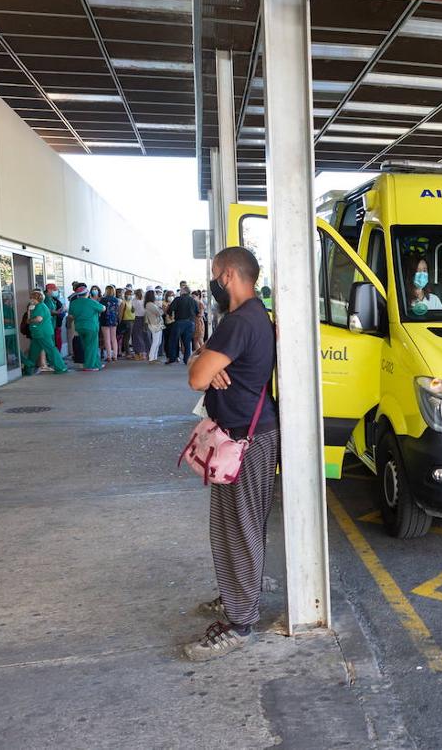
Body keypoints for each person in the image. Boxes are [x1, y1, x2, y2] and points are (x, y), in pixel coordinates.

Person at [183, 246, 278, 661]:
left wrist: (202, 361)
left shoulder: (238, 322)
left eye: (215, 274)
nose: (214, 281)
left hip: (244, 440)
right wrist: (204, 361)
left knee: (238, 529)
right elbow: (203, 368)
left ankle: (240, 623)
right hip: (247, 437)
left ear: (227, 276)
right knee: (237, 526)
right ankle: (237, 596)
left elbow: (195, 377)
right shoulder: (257, 316)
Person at [27, 290, 68, 374]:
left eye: (31, 298)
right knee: (33, 352)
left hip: (42, 333)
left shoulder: (40, 307)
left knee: (51, 350)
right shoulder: (37, 307)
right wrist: (29, 311)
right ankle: (28, 369)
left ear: (36, 299)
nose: (30, 300)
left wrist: (29, 321)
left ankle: (61, 367)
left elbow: (39, 319)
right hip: (38, 333)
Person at [69, 287, 105, 371]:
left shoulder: (73, 303)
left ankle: (97, 364)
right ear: (87, 293)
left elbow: (71, 315)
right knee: (92, 346)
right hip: (91, 327)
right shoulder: (91, 302)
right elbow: (103, 308)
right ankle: (90, 366)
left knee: (86, 346)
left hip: (79, 327)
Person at [165, 287, 199, 365]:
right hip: (190, 323)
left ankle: (172, 358)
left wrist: (170, 315)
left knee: (173, 340)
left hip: (179, 322)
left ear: (183, 292)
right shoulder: (193, 301)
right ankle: (187, 359)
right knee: (187, 342)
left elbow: (170, 309)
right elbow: (197, 312)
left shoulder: (178, 299)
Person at [99, 285, 120, 363]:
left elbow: (101, 310)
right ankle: (115, 355)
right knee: (113, 338)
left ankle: (109, 356)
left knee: (107, 339)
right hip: (113, 320)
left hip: (105, 320)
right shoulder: (116, 300)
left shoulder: (103, 300)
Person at [144, 290, 165, 364]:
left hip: (157, 324)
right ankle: (151, 358)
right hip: (154, 324)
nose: (156, 296)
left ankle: (154, 357)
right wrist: (161, 309)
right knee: (155, 341)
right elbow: (159, 312)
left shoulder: (152, 304)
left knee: (158, 342)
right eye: (155, 294)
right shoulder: (149, 304)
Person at [130, 289, 148, 361]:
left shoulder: (134, 301)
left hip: (137, 319)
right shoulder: (145, 301)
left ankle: (139, 354)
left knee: (136, 336)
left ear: (136, 294)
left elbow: (132, 310)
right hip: (145, 319)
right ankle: (144, 353)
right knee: (144, 336)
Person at [118, 288, 136, 358]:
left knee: (129, 337)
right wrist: (120, 322)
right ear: (125, 295)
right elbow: (120, 313)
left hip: (133, 320)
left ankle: (128, 351)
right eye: (129, 294)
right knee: (126, 338)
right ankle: (127, 352)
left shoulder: (132, 302)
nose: (130, 296)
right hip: (126, 321)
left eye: (131, 294)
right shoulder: (123, 303)